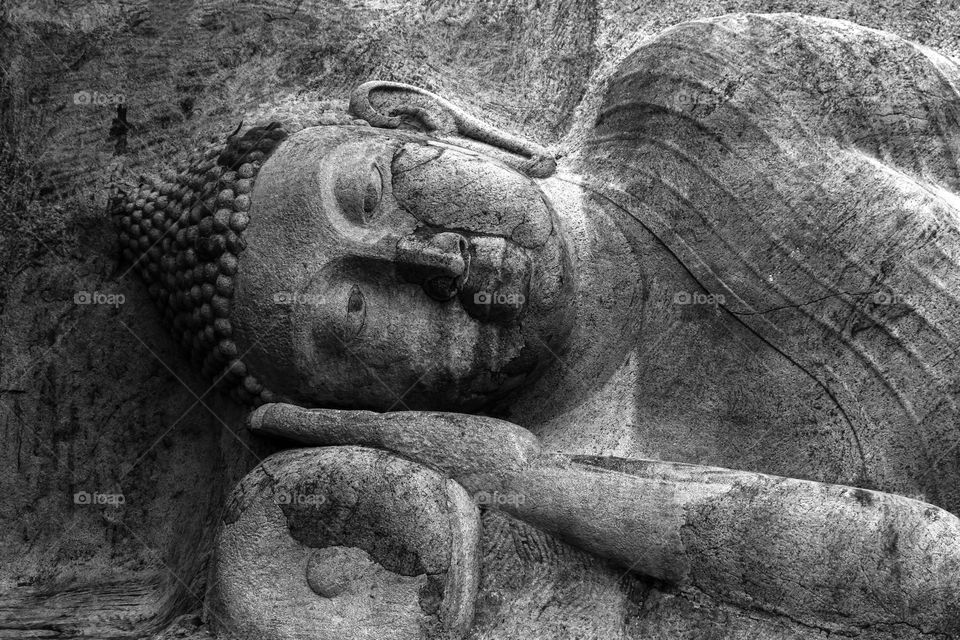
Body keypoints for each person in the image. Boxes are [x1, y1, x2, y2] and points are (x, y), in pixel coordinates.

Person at [115, 12, 960, 640]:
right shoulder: (591, 515)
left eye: (374, 195)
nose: (428, 263)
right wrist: (534, 484)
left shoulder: (697, 87)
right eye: (356, 316)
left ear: (420, 119)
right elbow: (932, 584)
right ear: (350, 413)